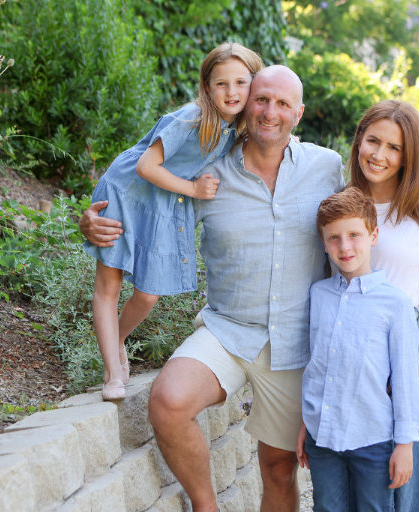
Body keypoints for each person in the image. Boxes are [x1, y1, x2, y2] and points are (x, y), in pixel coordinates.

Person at [80, 64, 344, 511]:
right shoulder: (206, 173)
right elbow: (142, 195)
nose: (270, 112)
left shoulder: (326, 167)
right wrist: (92, 219)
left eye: (282, 104)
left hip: (298, 341)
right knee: (167, 401)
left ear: (299, 114)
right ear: (244, 105)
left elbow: (370, 210)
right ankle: (206, 507)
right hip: (228, 330)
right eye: (261, 99)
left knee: (279, 467)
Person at [83, 42, 263, 401]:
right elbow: (145, 166)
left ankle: (116, 339)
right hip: (125, 193)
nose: (231, 92)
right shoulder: (190, 118)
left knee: (148, 295)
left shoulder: (233, 128)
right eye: (221, 84)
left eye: (241, 83)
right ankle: (112, 372)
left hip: (160, 201)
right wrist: (194, 189)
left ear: (253, 85)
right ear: (207, 88)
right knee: (109, 287)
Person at [347, 99, 419, 512]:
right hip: (344, 347)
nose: (379, 155)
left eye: (393, 147)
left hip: (400, 348)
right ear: (359, 140)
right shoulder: (340, 202)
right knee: (352, 475)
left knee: (408, 481)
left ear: (408, 155)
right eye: (372, 141)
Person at [295, 187, 419, 512]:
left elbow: (406, 380)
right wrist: (306, 423)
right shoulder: (318, 295)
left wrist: (405, 444)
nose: (345, 246)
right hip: (323, 440)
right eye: (334, 238)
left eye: (354, 234)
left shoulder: (395, 304)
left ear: (373, 234)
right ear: (323, 243)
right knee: (326, 508)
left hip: (373, 438)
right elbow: (316, 367)